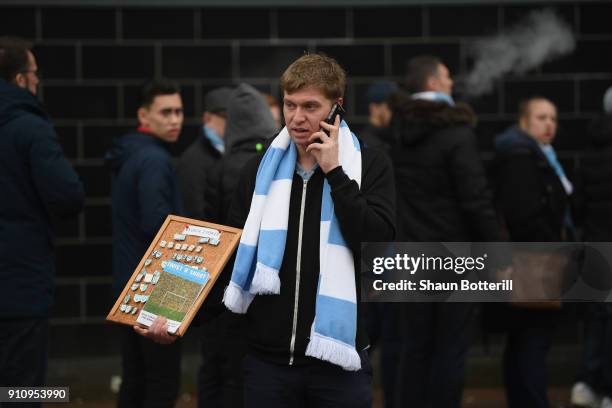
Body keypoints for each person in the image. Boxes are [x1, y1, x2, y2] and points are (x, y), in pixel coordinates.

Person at [217, 53, 396, 407]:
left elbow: (377, 242)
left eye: (311, 106)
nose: (297, 118)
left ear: (336, 107)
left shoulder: (370, 164)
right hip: (268, 362)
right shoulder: (260, 169)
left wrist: (336, 175)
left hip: (339, 363)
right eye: (289, 105)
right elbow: (230, 254)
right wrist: (177, 321)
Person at [391, 55, 500, 408]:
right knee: (450, 350)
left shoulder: (397, 130)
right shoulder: (456, 133)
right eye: (448, 77)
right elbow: (475, 199)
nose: (452, 83)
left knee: (415, 348)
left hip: (410, 256)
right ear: (434, 83)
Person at [0, 36, 85, 396]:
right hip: (18, 284)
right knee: (20, 388)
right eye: (35, 73)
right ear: (21, 79)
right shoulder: (30, 128)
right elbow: (68, 195)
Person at [105, 80, 185, 408]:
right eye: (165, 112)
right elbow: (159, 227)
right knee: (160, 383)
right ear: (144, 115)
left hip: (130, 285)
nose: (175, 119)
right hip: (156, 290)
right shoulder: (154, 160)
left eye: (179, 111)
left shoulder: (132, 154)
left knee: (136, 379)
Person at [197, 83, 276, 408]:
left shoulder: (217, 168)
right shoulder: (275, 167)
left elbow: (213, 232)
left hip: (228, 290)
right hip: (269, 292)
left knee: (227, 373)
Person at [494, 96, 574, 408]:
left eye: (553, 118)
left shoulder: (537, 154)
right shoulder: (521, 156)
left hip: (530, 259)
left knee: (524, 340)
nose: (549, 125)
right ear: (524, 121)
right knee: (532, 340)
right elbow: (524, 214)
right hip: (533, 261)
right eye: (541, 118)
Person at [570, 86, 612, 408]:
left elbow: (578, 208)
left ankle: (586, 383)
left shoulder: (589, 155)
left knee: (597, 320)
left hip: (596, 248)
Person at [177, 87, 232, 220]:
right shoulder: (193, 160)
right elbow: (194, 214)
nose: (232, 123)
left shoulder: (227, 152)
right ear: (208, 118)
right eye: (226, 117)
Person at [359, 80, 397, 153]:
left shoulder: (390, 137)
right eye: (390, 106)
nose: (394, 111)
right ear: (374, 108)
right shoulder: (366, 143)